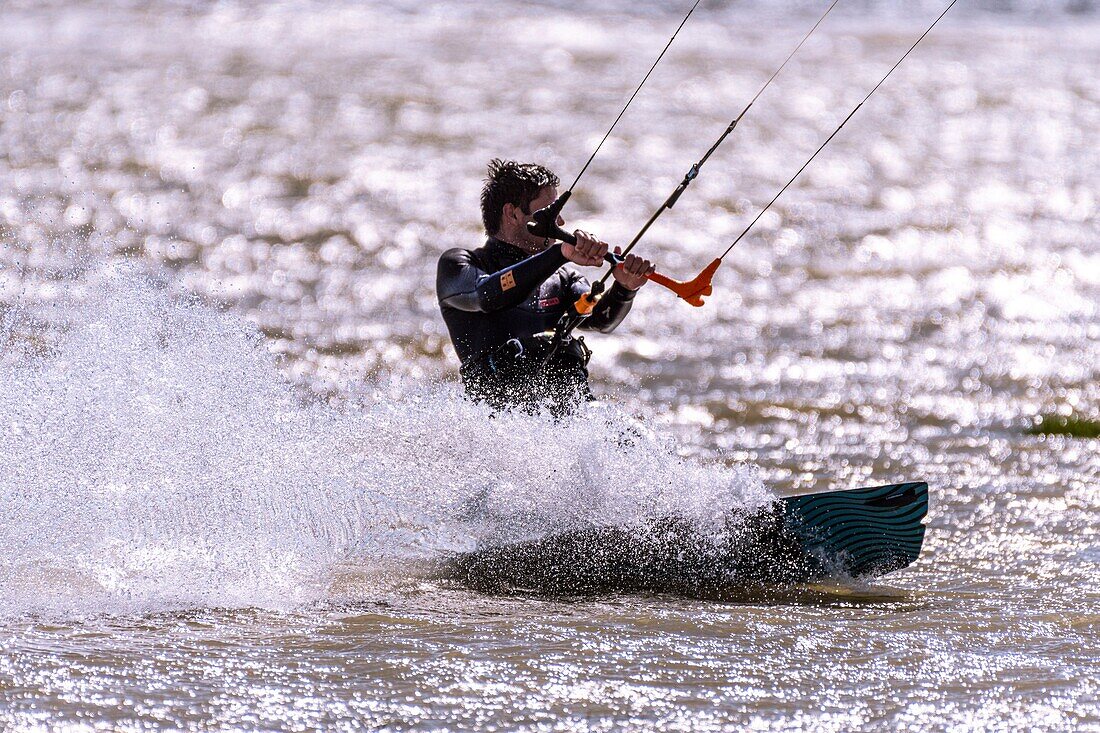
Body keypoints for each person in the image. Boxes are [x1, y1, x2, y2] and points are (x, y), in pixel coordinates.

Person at [437, 159, 654, 413]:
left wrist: (625, 289)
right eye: (550, 211)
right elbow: (486, 295)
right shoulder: (460, 266)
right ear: (513, 213)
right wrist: (560, 253)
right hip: (500, 427)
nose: (560, 222)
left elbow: (599, 320)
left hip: (567, 423)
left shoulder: (563, 279)